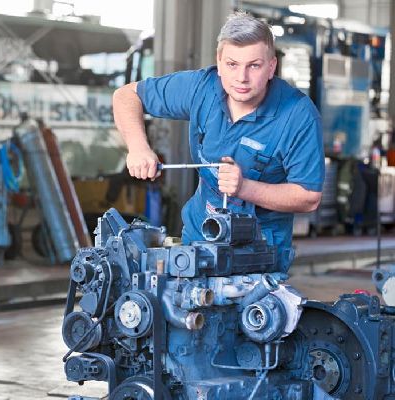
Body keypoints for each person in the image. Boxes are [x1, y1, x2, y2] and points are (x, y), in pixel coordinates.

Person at [112, 11, 324, 271]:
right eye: (232, 64)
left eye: (254, 66)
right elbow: (126, 96)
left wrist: (244, 188)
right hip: (199, 237)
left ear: (271, 67)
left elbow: (309, 196)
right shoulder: (202, 88)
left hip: (259, 253)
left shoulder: (298, 116)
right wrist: (138, 147)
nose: (241, 77)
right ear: (219, 62)